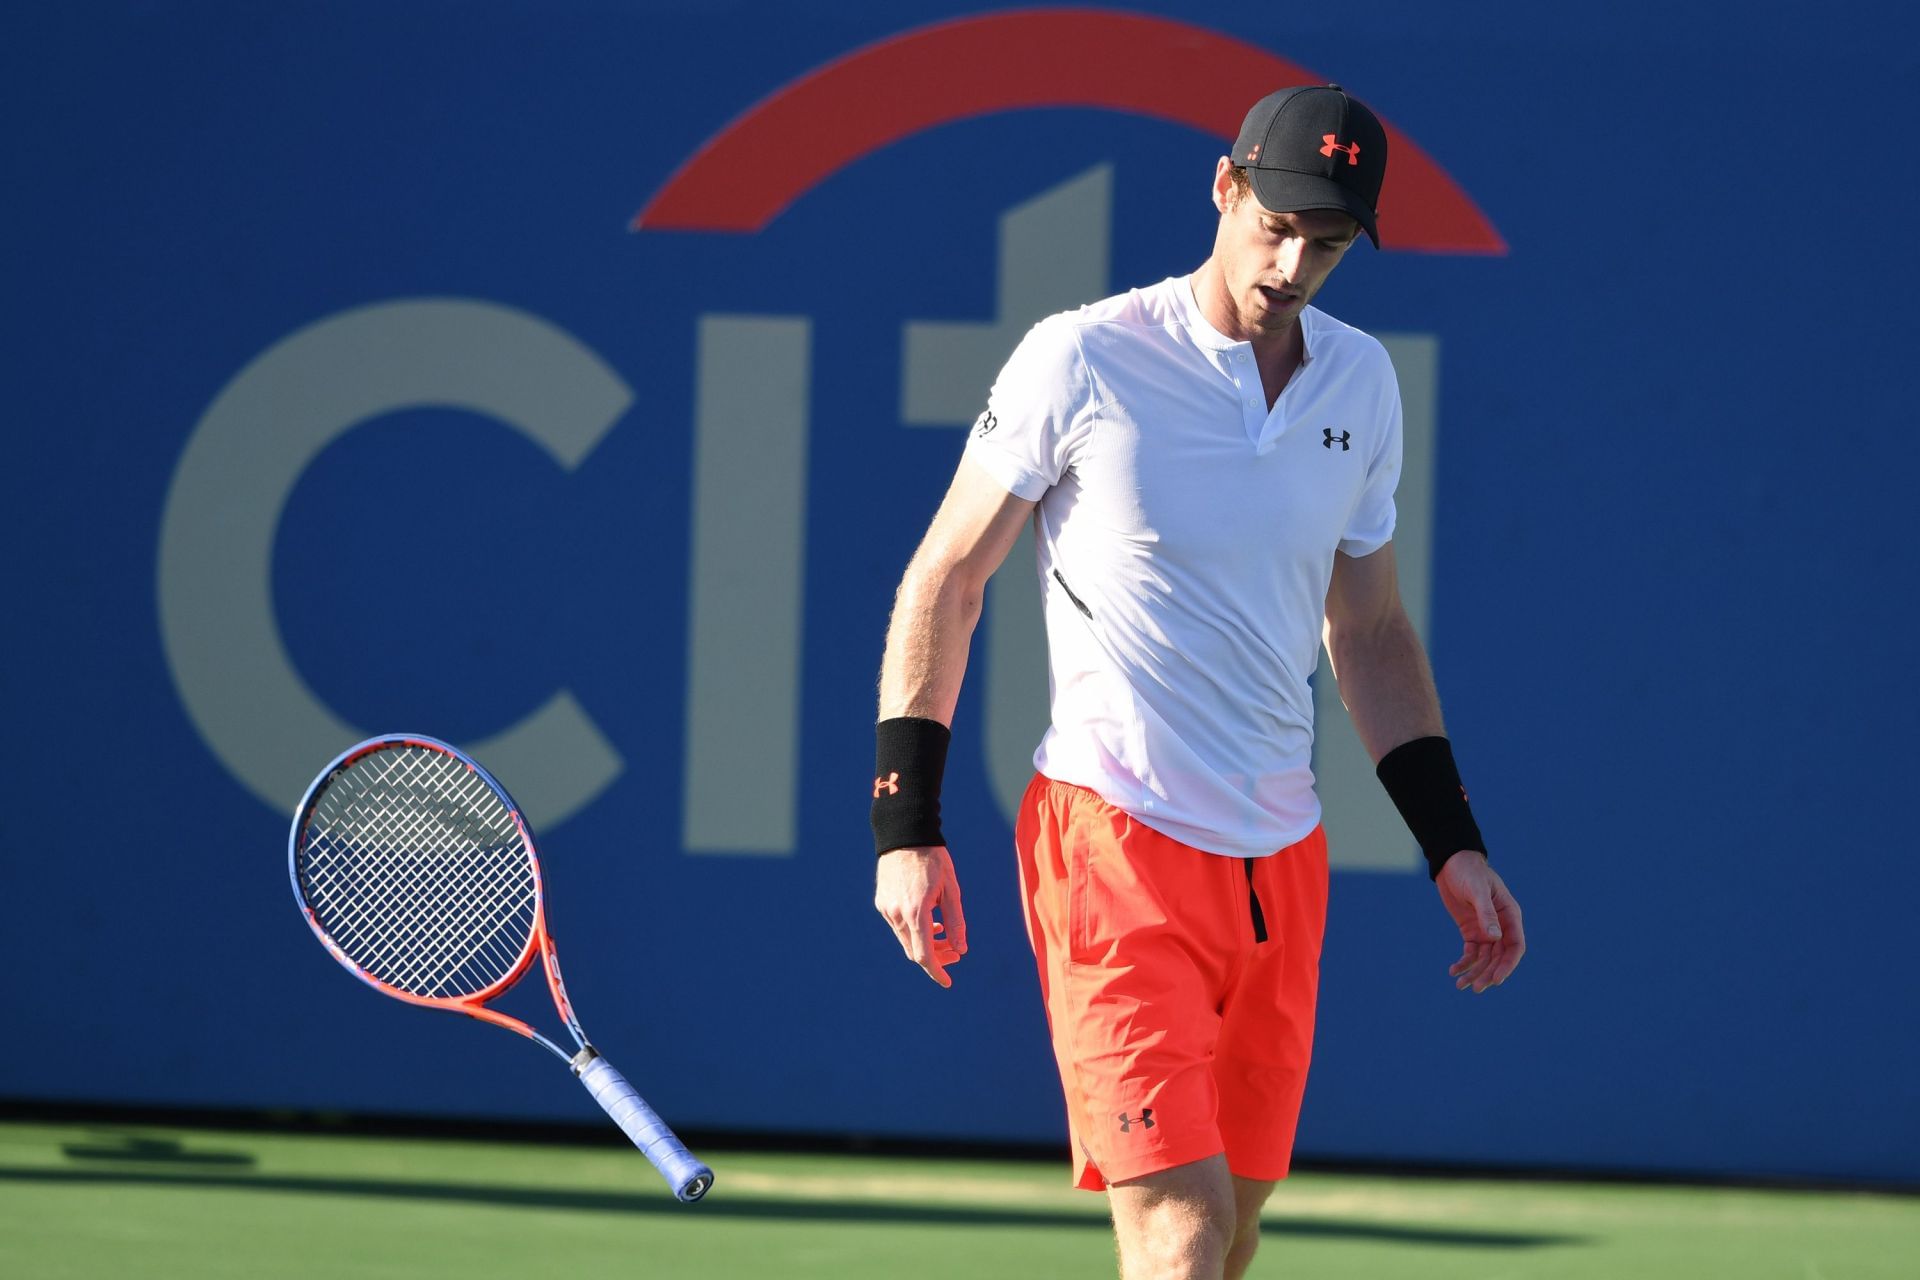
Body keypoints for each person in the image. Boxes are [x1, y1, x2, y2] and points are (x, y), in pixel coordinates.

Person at [869, 84, 1525, 1280]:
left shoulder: (1361, 385)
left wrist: (1453, 841)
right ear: (1225, 188)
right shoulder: (1082, 356)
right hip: (1111, 847)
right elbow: (943, 581)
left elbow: (1369, 630)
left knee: (1232, 1237)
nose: (1292, 261)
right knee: (1179, 1233)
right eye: (1275, 224)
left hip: (1283, 864)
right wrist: (904, 823)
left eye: (1325, 243)